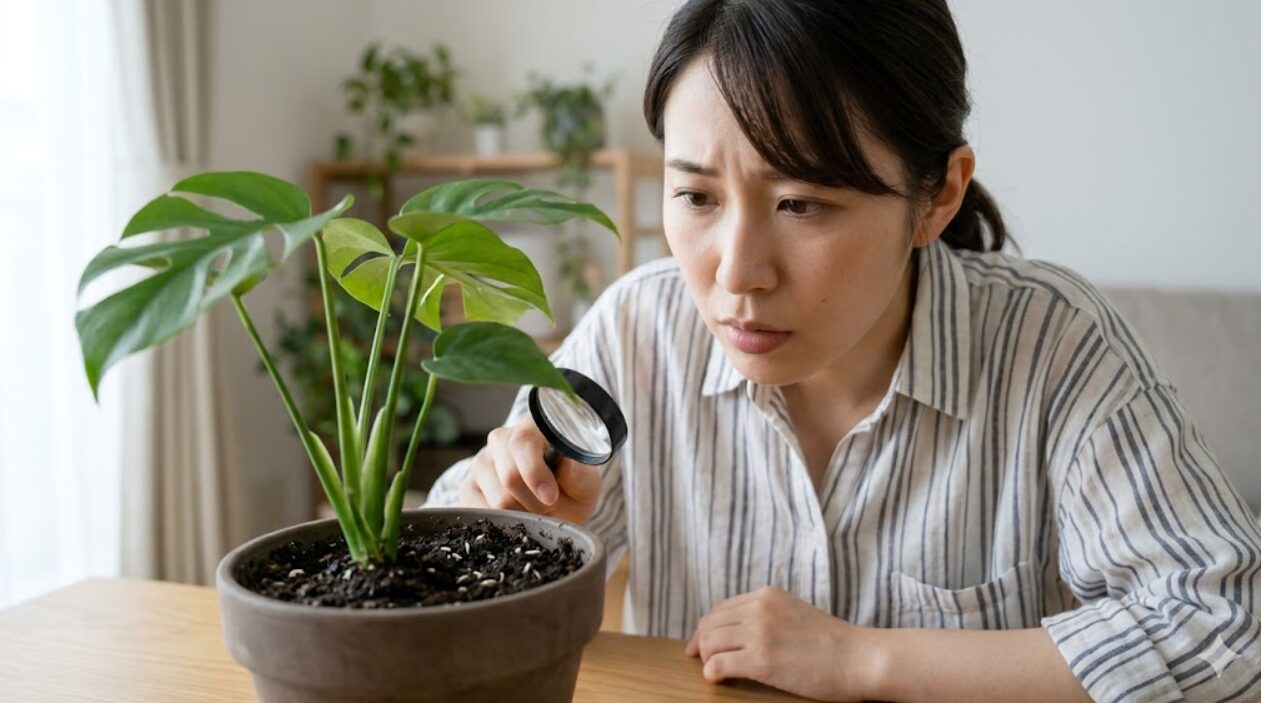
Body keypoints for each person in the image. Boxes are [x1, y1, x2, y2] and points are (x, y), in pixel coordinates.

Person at [424, 1, 1261, 700]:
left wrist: (864, 659)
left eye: (800, 204)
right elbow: (429, 597)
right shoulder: (635, 330)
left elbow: (1227, 628)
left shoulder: (1051, 344)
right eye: (695, 195)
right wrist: (517, 523)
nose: (736, 272)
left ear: (936, 196)